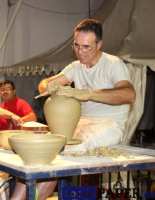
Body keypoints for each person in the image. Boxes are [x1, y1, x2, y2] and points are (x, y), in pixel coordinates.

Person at [11, 19, 136, 200]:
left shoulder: (113, 64)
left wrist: (88, 94)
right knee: (36, 151)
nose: (80, 52)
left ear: (99, 44)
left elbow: (129, 94)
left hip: (108, 125)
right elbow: (44, 85)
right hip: (79, 124)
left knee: (60, 152)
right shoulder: (76, 66)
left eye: (86, 47)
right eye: (76, 46)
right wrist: (48, 85)